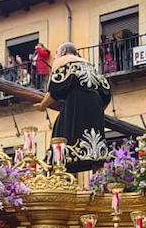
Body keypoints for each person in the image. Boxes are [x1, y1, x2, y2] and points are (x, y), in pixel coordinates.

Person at [39, 42, 112, 173]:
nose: (55, 58)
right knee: (96, 153)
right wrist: (97, 110)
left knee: (61, 136)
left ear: (63, 53)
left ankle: (58, 175)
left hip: (76, 107)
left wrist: (41, 105)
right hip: (95, 109)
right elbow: (106, 93)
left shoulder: (66, 64)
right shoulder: (92, 68)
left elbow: (54, 91)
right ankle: (100, 184)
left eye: (56, 54)